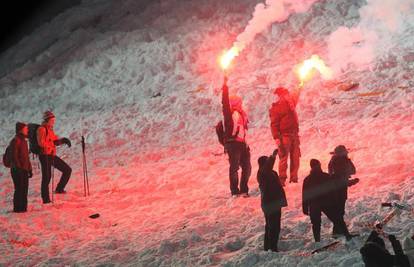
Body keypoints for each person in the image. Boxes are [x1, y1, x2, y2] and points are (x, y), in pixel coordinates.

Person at [302, 159, 356, 242]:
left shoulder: (307, 179)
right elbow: (333, 190)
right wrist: (336, 201)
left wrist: (305, 207)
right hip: (327, 202)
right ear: (319, 165)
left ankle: (317, 240)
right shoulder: (326, 176)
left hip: (315, 203)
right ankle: (347, 235)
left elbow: (305, 195)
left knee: (316, 223)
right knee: (338, 219)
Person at [221, 77, 251, 197]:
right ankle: (235, 190)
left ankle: (244, 189)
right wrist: (225, 87)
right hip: (233, 144)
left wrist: (246, 143)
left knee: (247, 167)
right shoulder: (229, 113)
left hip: (242, 144)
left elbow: (243, 131)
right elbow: (224, 102)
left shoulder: (242, 114)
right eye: (238, 102)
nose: (240, 103)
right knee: (234, 168)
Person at [37, 111, 72, 203]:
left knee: (67, 170)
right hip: (44, 156)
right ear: (47, 120)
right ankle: (45, 199)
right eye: (52, 120)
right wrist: (52, 143)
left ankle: (59, 189)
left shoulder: (50, 129)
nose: (53, 122)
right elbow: (41, 143)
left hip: (51, 155)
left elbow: (55, 141)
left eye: (54, 120)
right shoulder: (42, 129)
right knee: (46, 177)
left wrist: (63, 140)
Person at [269, 87, 301, 185]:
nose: (288, 95)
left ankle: (294, 178)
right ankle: (282, 180)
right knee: (283, 158)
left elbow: (296, 94)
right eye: (286, 94)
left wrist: (300, 85)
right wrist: (277, 138)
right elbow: (274, 124)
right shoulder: (276, 108)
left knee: (295, 158)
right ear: (280, 95)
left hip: (294, 135)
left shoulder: (291, 103)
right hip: (284, 136)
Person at [257, 149, 287, 252]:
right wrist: (273, 156)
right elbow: (267, 167)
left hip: (273, 203)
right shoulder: (262, 172)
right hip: (270, 203)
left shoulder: (269, 172)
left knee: (271, 226)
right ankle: (272, 247)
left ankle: (268, 246)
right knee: (273, 226)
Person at [328, 145, 359, 235]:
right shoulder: (342, 161)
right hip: (340, 190)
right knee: (339, 211)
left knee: (338, 210)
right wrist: (352, 181)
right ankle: (342, 233)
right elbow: (352, 171)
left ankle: (337, 231)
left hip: (334, 189)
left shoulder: (332, 161)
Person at [9, 122, 32, 212]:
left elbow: (26, 157)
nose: (27, 130)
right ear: (21, 130)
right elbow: (14, 156)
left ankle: (23, 208)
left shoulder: (24, 141)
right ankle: (18, 209)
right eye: (26, 128)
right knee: (19, 189)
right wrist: (19, 168)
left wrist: (29, 169)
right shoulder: (15, 141)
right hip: (17, 170)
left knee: (24, 189)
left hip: (24, 169)